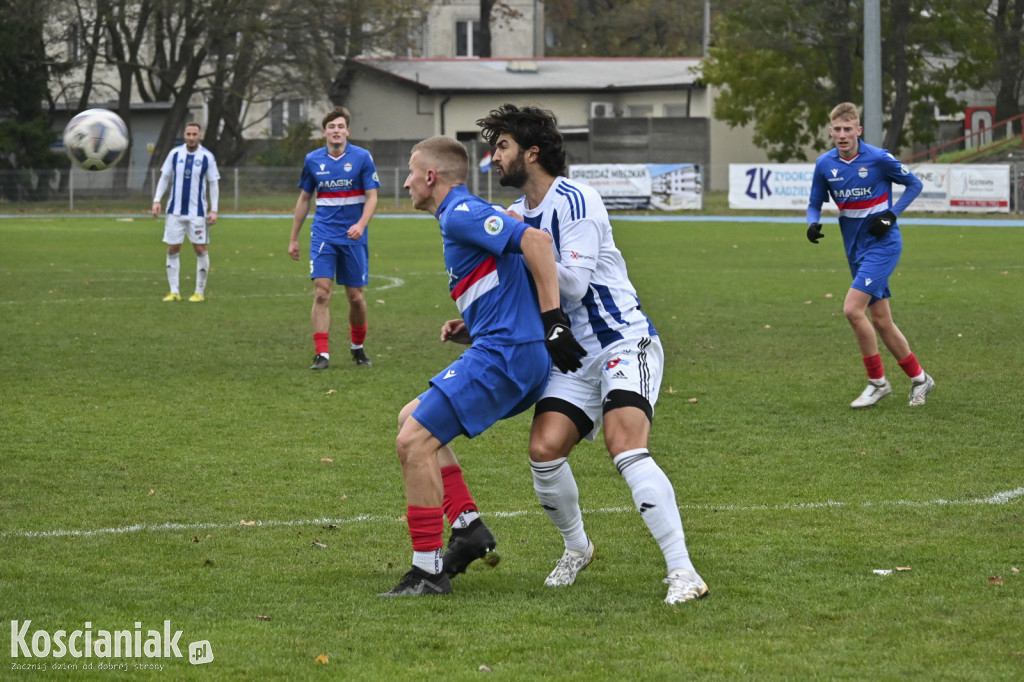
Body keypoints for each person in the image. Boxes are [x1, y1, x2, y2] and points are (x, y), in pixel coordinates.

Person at [475, 103, 708, 605]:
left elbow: (575, 282)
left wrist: (530, 254)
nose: (494, 158)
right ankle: (577, 548)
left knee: (625, 446)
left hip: (623, 341)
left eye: (502, 147)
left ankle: (684, 572)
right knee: (543, 450)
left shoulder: (576, 200)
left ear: (531, 153)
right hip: (572, 357)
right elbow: (516, 285)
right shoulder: (516, 216)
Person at [381, 135, 585, 597]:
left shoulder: (460, 212)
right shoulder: (459, 216)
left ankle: (428, 572)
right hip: (503, 348)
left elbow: (534, 240)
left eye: (412, 171)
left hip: (507, 355)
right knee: (411, 420)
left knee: (412, 442)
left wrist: (553, 322)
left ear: (431, 177)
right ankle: (468, 528)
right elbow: (508, 277)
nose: (408, 180)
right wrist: (470, 328)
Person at [807, 102, 935, 408]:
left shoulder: (877, 158)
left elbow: (914, 184)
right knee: (881, 320)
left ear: (858, 130)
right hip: (855, 249)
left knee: (853, 310)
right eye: (837, 129)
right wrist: (812, 222)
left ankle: (877, 382)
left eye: (848, 129)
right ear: (830, 131)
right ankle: (920, 379)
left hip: (884, 245)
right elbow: (814, 201)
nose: (842, 134)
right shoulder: (825, 164)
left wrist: (891, 215)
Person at [289, 106, 380, 370]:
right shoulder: (313, 160)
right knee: (321, 293)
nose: (336, 131)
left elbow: (372, 197)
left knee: (356, 297)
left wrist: (361, 225)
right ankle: (322, 354)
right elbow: (305, 199)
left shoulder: (362, 157)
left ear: (347, 131)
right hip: (323, 235)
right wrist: (294, 238)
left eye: (340, 127)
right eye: (331, 127)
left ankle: (357, 347)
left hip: (353, 236)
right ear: (324, 132)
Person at [151, 122, 219, 302]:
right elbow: (165, 177)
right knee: (173, 248)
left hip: (197, 213)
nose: (191, 137)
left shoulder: (207, 157)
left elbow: (213, 183)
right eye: (188, 134)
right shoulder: (175, 154)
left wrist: (214, 210)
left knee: (200, 248)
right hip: (174, 212)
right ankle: (174, 292)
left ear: (199, 136)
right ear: (184, 135)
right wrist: (157, 200)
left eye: (194, 134)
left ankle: (199, 292)